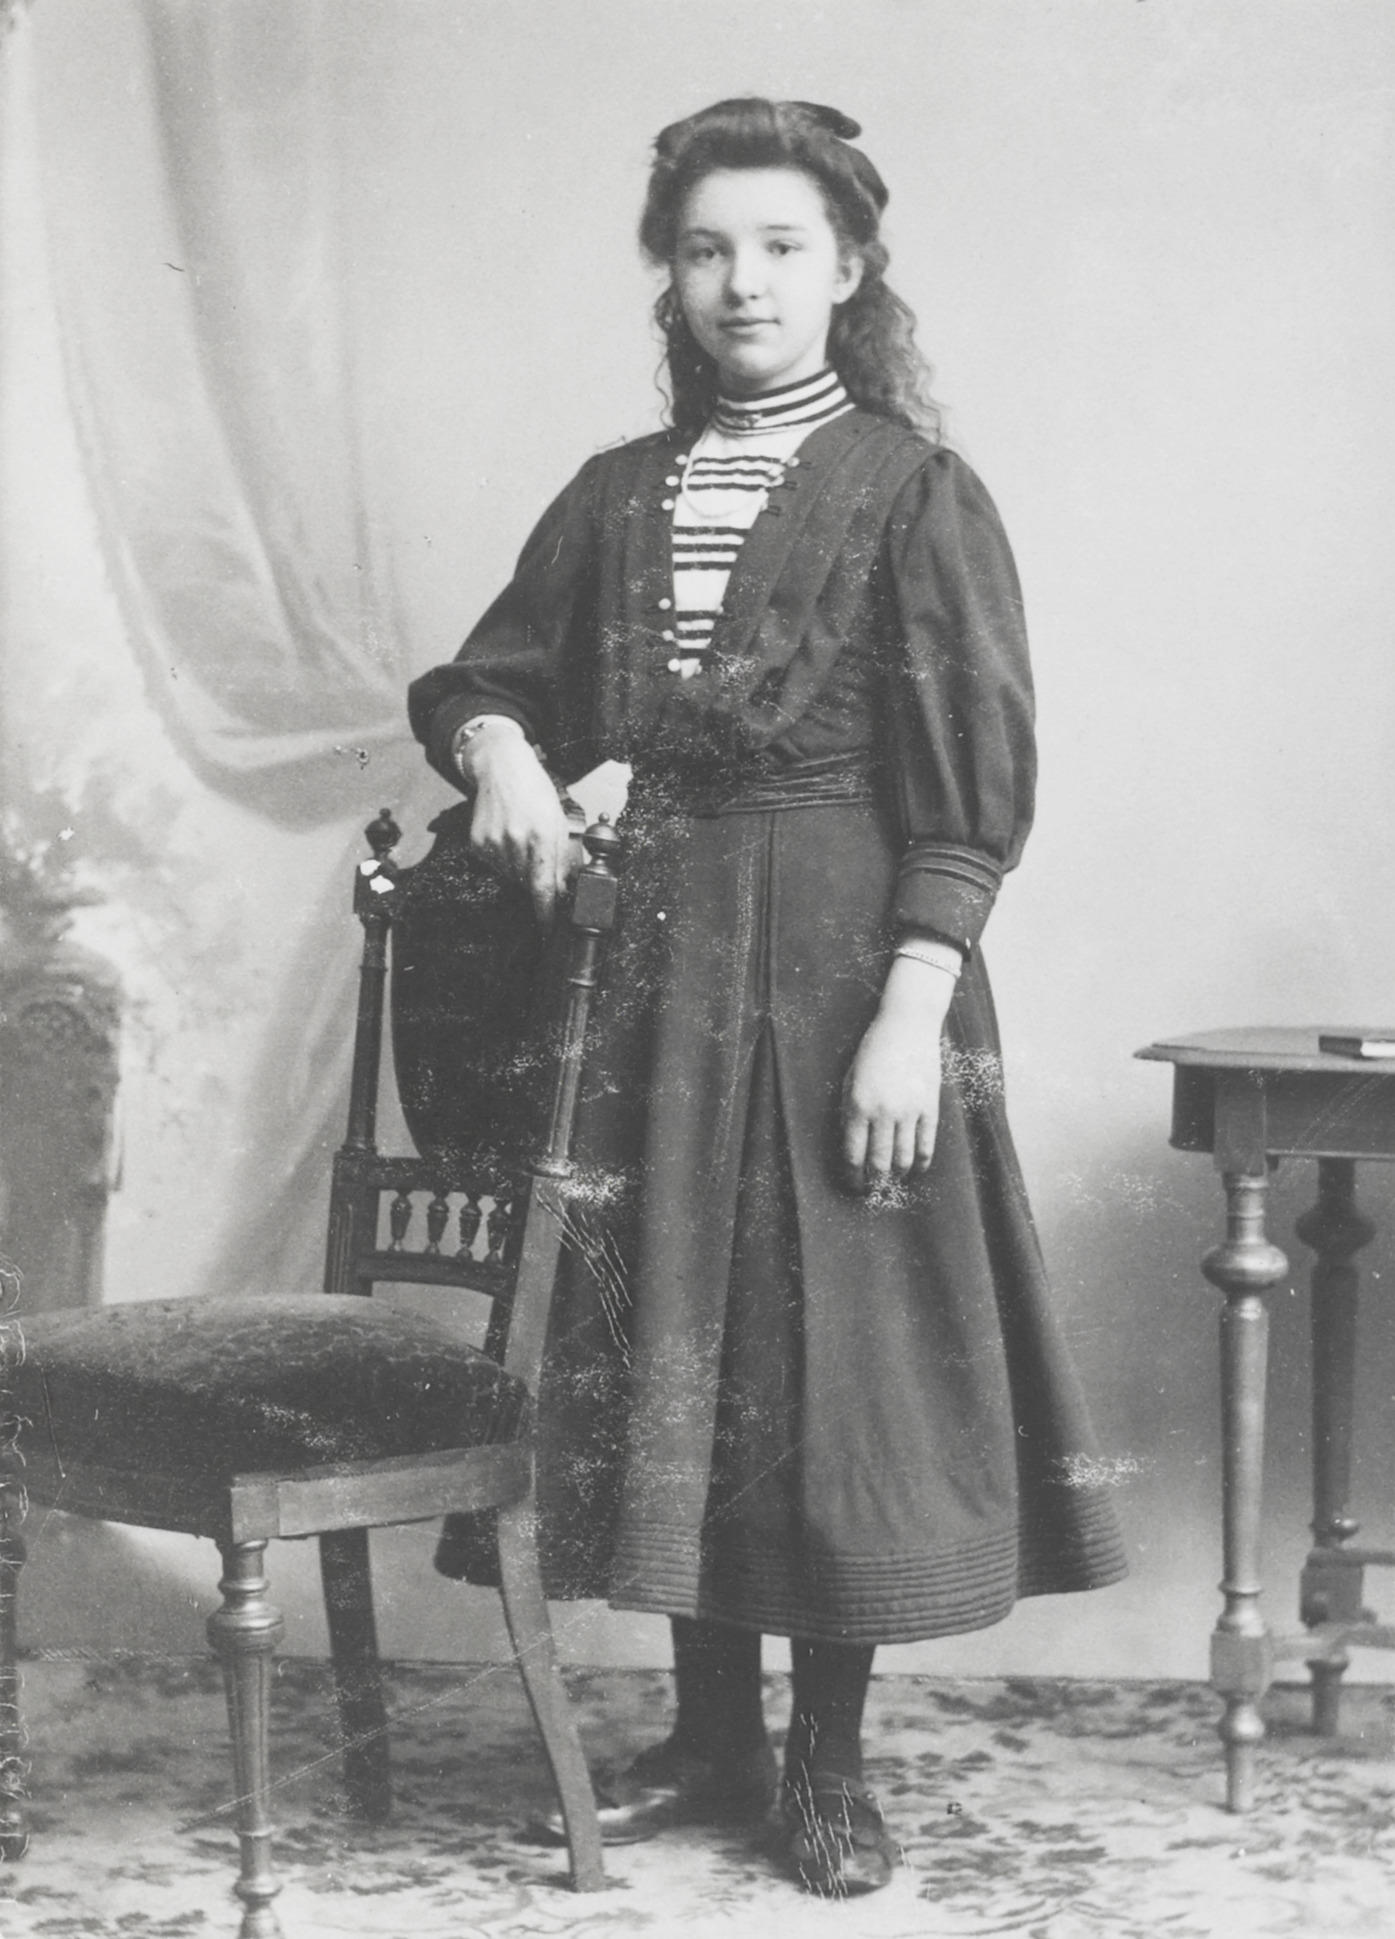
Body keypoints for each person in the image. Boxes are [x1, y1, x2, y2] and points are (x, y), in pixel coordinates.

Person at [408, 96, 1126, 1898]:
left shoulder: (915, 494)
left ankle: (826, 1764)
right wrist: (501, 747)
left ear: (851, 269)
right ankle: (709, 1735)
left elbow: (974, 792)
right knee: (681, 1340)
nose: (744, 282)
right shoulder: (616, 496)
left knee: (835, 1364)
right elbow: (480, 678)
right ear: (672, 273)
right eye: (708, 248)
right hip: (655, 987)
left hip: (846, 978)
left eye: (783, 247)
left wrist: (910, 1009)